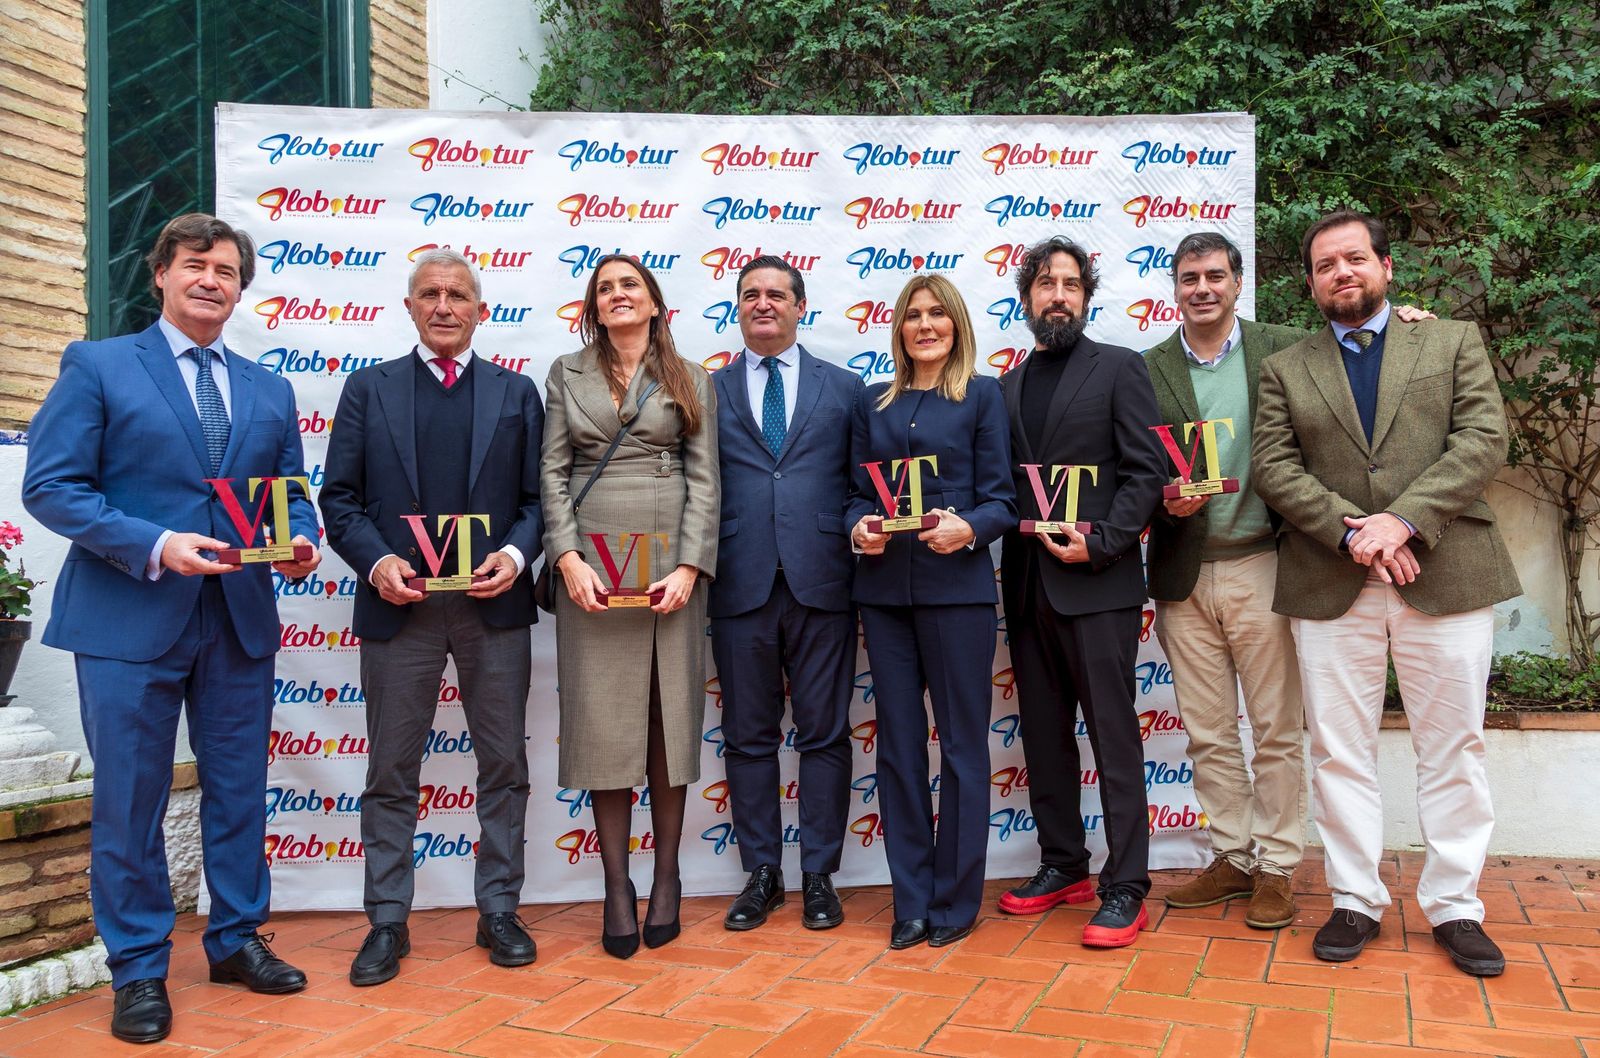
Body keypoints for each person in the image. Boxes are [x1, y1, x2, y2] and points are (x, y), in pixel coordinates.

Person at [23, 213, 320, 1043]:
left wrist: (301, 542)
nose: (211, 281)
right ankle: (140, 969)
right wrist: (155, 544)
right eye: (196, 265)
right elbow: (52, 488)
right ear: (161, 273)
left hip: (237, 619)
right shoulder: (99, 366)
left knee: (239, 796)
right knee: (130, 802)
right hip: (127, 619)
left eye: (227, 271)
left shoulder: (270, 388)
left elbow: (289, 490)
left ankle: (234, 941)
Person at [1252, 209, 1521, 976]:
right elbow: (1274, 467)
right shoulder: (1286, 368)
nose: (1343, 272)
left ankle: (1456, 907)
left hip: (1446, 571)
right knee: (1340, 752)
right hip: (1330, 578)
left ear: (1386, 266)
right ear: (1309, 285)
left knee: (1454, 748)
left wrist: (1400, 522)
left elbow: (1482, 440)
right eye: (1326, 265)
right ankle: (1354, 900)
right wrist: (1351, 533)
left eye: (1355, 259)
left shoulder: (1450, 340)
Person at [319, 248, 545, 986]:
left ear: (481, 310)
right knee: (390, 770)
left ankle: (499, 909)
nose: (443, 305)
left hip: (493, 607)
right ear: (409, 306)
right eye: (430, 293)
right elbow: (340, 499)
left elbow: (538, 504)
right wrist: (377, 562)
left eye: (458, 295)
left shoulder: (516, 394)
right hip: (400, 609)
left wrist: (513, 558)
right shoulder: (367, 389)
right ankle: (387, 921)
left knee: (504, 765)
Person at [541, 254, 719, 959]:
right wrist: (566, 558)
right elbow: (552, 473)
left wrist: (690, 566)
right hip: (592, 568)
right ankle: (617, 887)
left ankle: (667, 877)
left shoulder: (690, 375)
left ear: (653, 303)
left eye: (630, 287)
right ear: (595, 304)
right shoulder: (566, 372)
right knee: (604, 727)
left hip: (670, 568)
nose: (618, 295)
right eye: (606, 287)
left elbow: (706, 479)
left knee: (668, 724)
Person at [997, 237, 1167, 948]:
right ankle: (1063, 861)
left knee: (1115, 740)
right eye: (1045, 284)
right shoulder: (1002, 387)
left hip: (1097, 585)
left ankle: (1125, 884)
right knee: (1043, 736)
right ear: (1027, 297)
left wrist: (1101, 542)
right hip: (1029, 586)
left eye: (1070, 283)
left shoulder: (1120, 369)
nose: (1057, 295)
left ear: (1087, 295)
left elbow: (1146, 473)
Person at [1143, 232, 1311, 929]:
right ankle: (1233, 857)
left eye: (1215, 275)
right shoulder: (1148, 368)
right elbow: (1131, 459)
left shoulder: (1284, 346)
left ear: (1240, 283)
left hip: (1264, 565)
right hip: (1184, 574)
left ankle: (1278, 866)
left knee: (1275, 728)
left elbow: (1367, 345)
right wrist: (1162, 495)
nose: (1202, 288)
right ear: (1174, 289)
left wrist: (1413, 321)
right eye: (1189, 278)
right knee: (1209, 732)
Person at [847, 274, 1015, 949]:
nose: (924, 325)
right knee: (898, 749)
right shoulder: (873, 403)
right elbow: (851, 494)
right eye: (913, 315)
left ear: (956, 324)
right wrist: (858, 528)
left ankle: (954, 899)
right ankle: (910, 899)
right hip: (886, 598)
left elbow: (1003, 498)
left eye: (936, 315)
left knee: (965, 750)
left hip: (959, 595)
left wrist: (968, 528)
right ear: (899, 327)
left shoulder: (982, 394)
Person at [710, 256, 864, 932]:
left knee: (825, 734)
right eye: (750, 295)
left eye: (776, 294)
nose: (763, 303)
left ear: (801, 307)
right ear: (737, 309)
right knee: (747, 738)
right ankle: (762, 873)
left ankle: (820, 874)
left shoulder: (847, 388)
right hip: (738, 583)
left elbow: (864, 485)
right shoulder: (704, 391)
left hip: (823, 581)